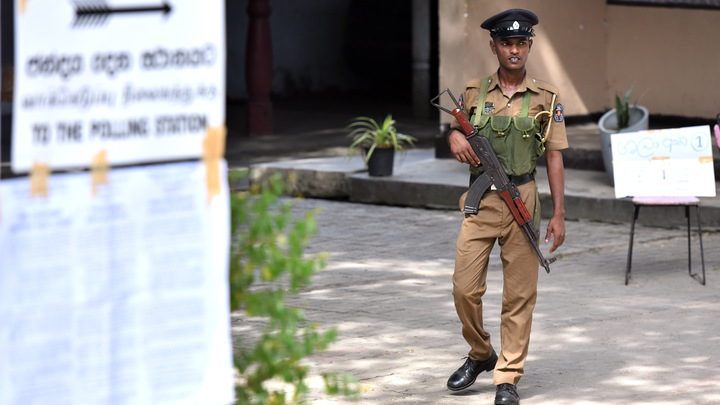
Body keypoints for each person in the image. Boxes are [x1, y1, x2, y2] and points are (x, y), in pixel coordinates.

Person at [444, 8, 568, 405]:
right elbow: (456, 129)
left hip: (523, 200)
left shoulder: (546, 96)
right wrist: (454, 140)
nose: (514, 50)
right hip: (481, 202)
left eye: (520, 43)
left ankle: (508, 376)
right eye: (506, 43)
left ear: (529, 45)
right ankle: (481, 353)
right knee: (464, 289)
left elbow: (554, 156)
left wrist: (559, 213)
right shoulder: (472, 92)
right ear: (493, 46)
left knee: (519, 296)